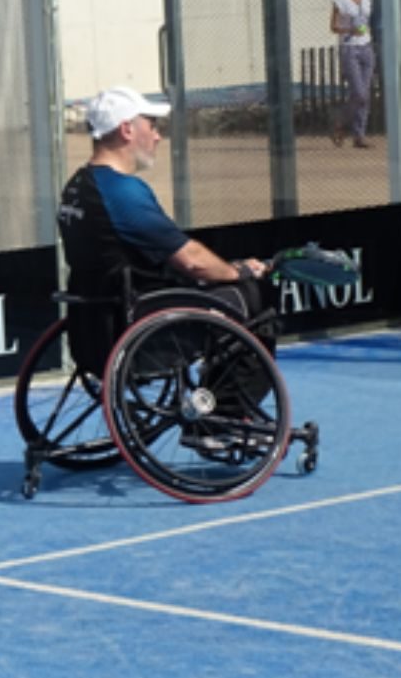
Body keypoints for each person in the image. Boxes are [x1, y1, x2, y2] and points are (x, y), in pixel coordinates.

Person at [58, 86, 276, 441]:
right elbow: (193, 262)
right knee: (255, 296)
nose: (158, 136)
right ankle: (224, 417)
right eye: (151, 125)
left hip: (92, 333)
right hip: (141, 329)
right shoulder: (122, 193)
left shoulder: (76, 186)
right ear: (127, 130)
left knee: (226, 286)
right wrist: (239, 271)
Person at [330, 0, 377, 149]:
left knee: (365, 96)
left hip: (366, 47)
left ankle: (359, 136)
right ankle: (341, 122)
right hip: (349, 49)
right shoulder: (340, 0)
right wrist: (350, 30)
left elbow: (368, 20)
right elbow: (333, 27)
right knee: (359, 93)